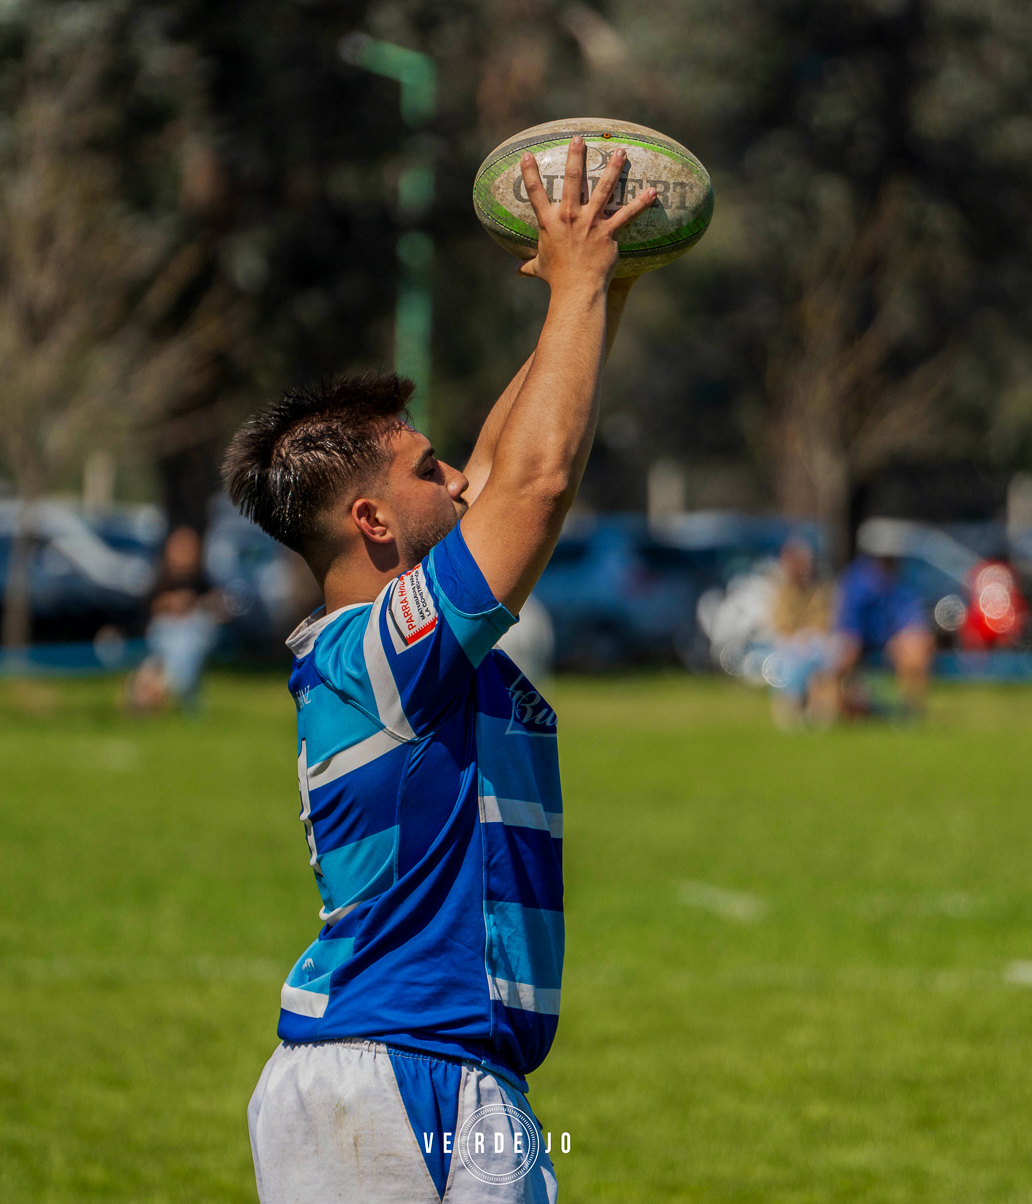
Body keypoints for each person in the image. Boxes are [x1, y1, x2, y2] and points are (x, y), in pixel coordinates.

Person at [223, 138, 657, 1203]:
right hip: (403, 1076)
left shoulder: (370, 650)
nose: (459, 474)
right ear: (369, 519)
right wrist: (580, 286)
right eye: (428, 469)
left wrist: (599, 299)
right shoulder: (379, 646)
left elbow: (509, 467)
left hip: (402, 1073)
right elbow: (533, 486)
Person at [829, 522, 932, 717]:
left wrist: (911, 641)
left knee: (917, 648)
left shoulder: (901, 581)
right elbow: (848, 627)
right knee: (845, 652)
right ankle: (834, 706)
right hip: (857, 639)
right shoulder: (854, 581)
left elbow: (911, 621)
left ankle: (910, 712)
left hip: (888, 641)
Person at [125, 524, 225, 712]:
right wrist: (168, 605)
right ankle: (158, 690)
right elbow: (145, 615)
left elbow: (220, 607)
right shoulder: (158, 578)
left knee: (190, 639)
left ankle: (160, 689)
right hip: (165, 639)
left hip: (191, 637)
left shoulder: (202, 579)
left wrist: (193, 605)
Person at [763, 538, 833, 729]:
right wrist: (796, 637)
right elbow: (779, 624)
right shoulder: (781, 589)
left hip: (812, 642)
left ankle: (816, 708)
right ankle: (793, 706)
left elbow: (823, 619)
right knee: (793, 660)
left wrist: (809, 634)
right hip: (786, 643)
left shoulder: (818, 588)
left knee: (820, 654)